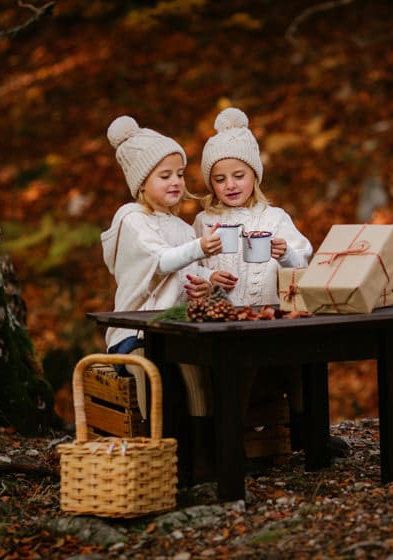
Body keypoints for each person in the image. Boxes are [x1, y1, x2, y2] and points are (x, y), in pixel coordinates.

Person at [193, 107, 315, 462]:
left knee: (301, 362)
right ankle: (231, 442)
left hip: (271, 317)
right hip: (227, 322)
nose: (230, 185)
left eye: (239, 175)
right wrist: (209, 277)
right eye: (220, 179)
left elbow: (303, 259)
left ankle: (308, 432)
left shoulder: (273, 218)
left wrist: (285, 252)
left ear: (255, 176)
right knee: (238, 371)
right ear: (210, 183)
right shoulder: (205, 221)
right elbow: (193, 269)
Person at [101, 115, 220, 427]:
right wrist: (200, 248)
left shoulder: (180, 227)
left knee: (199, 369)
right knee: (151, 369)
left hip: (176, 329)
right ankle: (159, 444)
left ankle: (202, 449)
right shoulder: (132, 220)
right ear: (142, 183)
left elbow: (188, 271)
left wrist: (208, 282)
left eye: (179, 174)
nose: (176, 182)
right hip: (136, 332)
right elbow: (163, 261)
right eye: (164, 175)